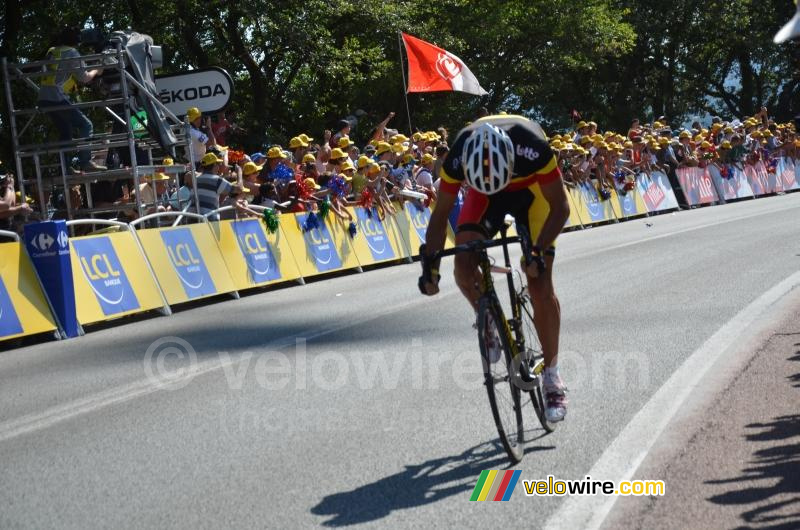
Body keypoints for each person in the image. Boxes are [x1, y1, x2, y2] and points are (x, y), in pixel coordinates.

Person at [418, 114, 571, 423]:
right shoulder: (459, 156)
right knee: (463, 265)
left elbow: (561, 208)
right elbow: (440, 214)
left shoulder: (534, 147)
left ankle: (553, 377)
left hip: (534, 193)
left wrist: (537, 252)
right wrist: (430, 269)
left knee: (540, 281)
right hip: (484, 194)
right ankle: (486, 318)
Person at [38, 26, 106, 173]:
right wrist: (97, 70)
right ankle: (85, 161)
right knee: (86, 125)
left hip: (44, 97)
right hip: (57, 97)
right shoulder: (72, 52)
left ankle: (65, 167)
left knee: (66, 130)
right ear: (77, 40)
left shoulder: (52, 50)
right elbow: (85, 77)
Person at [193, 152, 234, 220]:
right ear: (215, 165)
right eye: (218, 164)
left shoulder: (196, 179)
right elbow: (237, 190)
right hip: (209, 220)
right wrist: (240, 173)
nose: (219, 166)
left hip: (193, 219)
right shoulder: (217, 180)